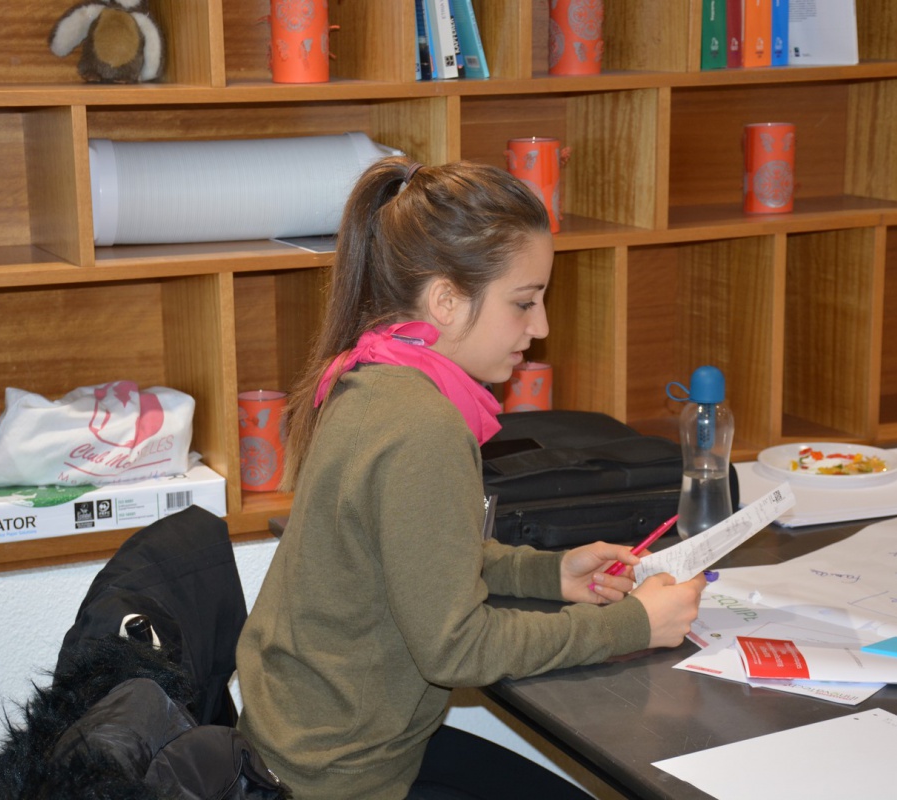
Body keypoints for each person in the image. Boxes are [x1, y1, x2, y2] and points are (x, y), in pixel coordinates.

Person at [235, 156, 707, 799]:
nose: (540, 327)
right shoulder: (421, 425)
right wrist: (634, 626)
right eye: (524, 302)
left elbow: (416, 556)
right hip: (339, 779)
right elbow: (455, 649)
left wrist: (547, 573)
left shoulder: (371, 378)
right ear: (446, 302)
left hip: (302, 745)